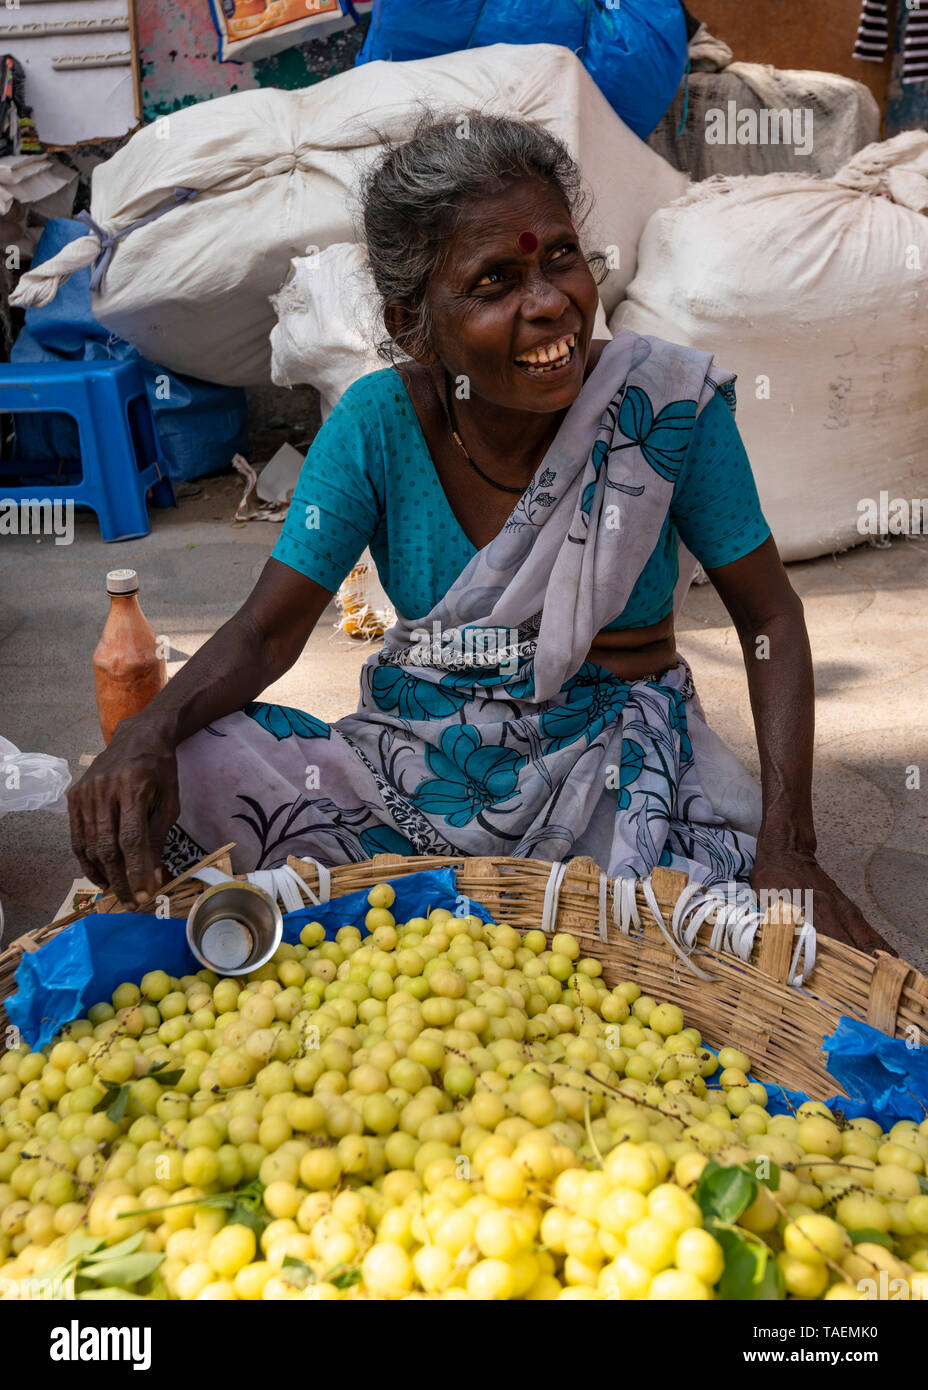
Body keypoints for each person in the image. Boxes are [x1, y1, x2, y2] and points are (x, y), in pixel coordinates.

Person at [67, 113, 885, 954]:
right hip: (421, 760)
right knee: (195, 762)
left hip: (615, 770)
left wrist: (791, 844)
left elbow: (771, 620)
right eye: (495, 281)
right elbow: (266, 631)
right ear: (415, 322)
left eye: (559, 257)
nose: (550, 305)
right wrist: (145, 732)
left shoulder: (663, 409)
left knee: (705, 944)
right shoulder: (376, 425)